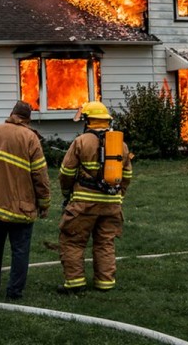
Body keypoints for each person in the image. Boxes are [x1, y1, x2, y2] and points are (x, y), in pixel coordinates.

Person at [0, 100, 51, 300]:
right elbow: (40, 175)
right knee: (20, 250)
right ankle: (14, 293)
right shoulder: (30, 138)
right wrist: (44, 203)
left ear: (12, 114)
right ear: (27, 119)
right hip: (20, 207)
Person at [57, 101, 133, 294]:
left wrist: (67, 192)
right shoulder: (121, 145)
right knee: (105, 243)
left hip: (84, 203)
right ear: (107, 121)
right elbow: (127, 175)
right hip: (112, 204)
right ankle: (105, 283)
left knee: (73, 240)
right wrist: (118, 195)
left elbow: (66, 172)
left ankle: (75, 283)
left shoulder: (81, 141)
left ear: (88, 120)